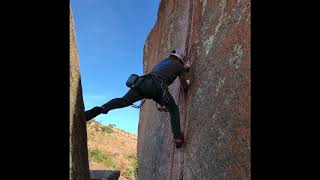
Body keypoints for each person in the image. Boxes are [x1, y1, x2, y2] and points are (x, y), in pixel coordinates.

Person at [84, 49, 190, 148]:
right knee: (173, 109)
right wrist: (186, 81)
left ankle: (99, 109)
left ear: (172, 56)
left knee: (123, 101)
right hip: (157, 87)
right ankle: (177, 138)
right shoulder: (179, 66)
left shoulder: (164, 62)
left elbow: (168, 70)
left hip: (142, 82)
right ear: (179, 59)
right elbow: (184, 86)